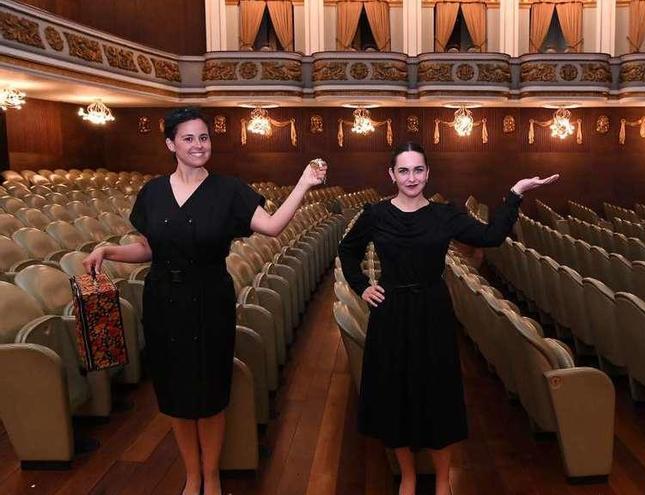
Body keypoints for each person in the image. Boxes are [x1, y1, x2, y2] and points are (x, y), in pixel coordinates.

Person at [82, 107, 326, 495]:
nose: (199, 145)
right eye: (189, 138)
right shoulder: (153, 193)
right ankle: (191, 475)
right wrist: (109, 251)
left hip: (210, 299)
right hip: (163, 301)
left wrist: (303, 183)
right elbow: (148, 249)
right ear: (170, 144)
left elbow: (274, 227)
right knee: (176, 393)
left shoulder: (229, 190)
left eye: (204, 137)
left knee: (210, 393)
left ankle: (210, 477)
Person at [337, 141, 558, 495]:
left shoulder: (445, 215)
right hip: (391, 312)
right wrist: (362, 285)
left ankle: (442, 481)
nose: (412, 177)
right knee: (395, 396)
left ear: (428, 173)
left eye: (418, 170)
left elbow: (491, 235)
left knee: (437, 394)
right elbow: (347, 251)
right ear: (391, 174)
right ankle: (407, 477)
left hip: (432, 310)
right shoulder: (375, 214)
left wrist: (516, 193)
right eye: (404, 170)